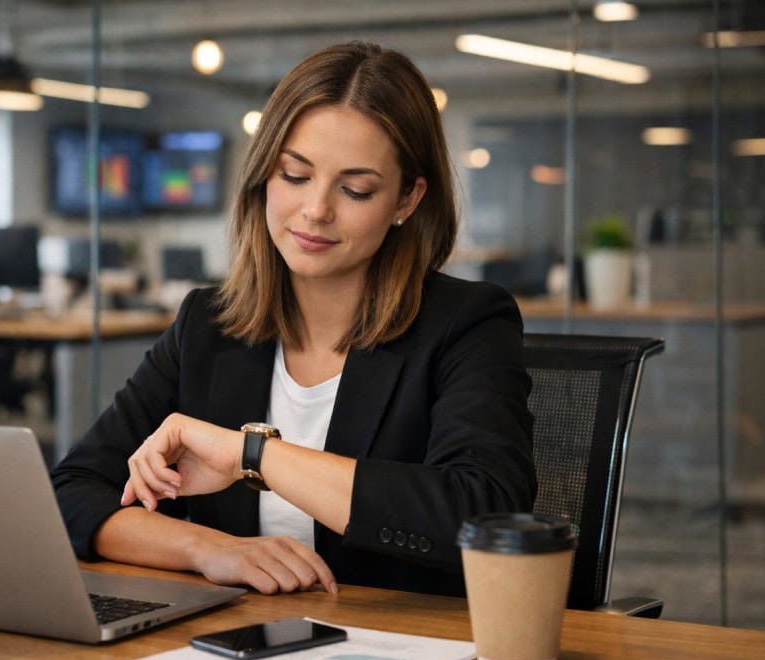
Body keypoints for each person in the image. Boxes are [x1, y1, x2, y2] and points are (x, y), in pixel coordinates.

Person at [52, 41, 535, 597]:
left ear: (407, 199)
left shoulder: (467, 324)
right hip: (240, 645)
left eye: (356, 189)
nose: (316, 210)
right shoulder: (207, 326)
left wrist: (251, 455)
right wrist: (209, 550)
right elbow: (73, 494)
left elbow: (483, 516)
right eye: (295, 175)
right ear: (264, 176)